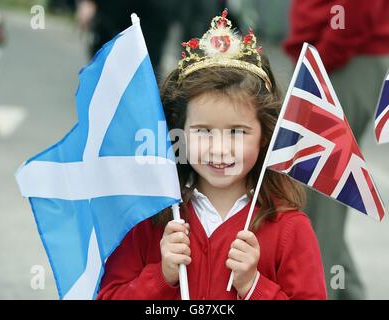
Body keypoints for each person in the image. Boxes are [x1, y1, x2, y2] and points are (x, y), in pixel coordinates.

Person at [97, 10, 327, 300]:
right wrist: (160, 276)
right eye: (204, 131)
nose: (219, 148)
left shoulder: (289, 229)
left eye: (237, 132)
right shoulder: (151, 219)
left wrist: (254, 286)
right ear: (178, 135)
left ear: (265, 135)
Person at [283, 0, 389, 300]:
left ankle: (321, 293)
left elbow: (358, 10)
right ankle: (347, 292)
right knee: (318, 195)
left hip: (342, 60)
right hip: (331, 56)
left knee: (321, 191)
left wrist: (324, 56)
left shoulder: (334, 53)